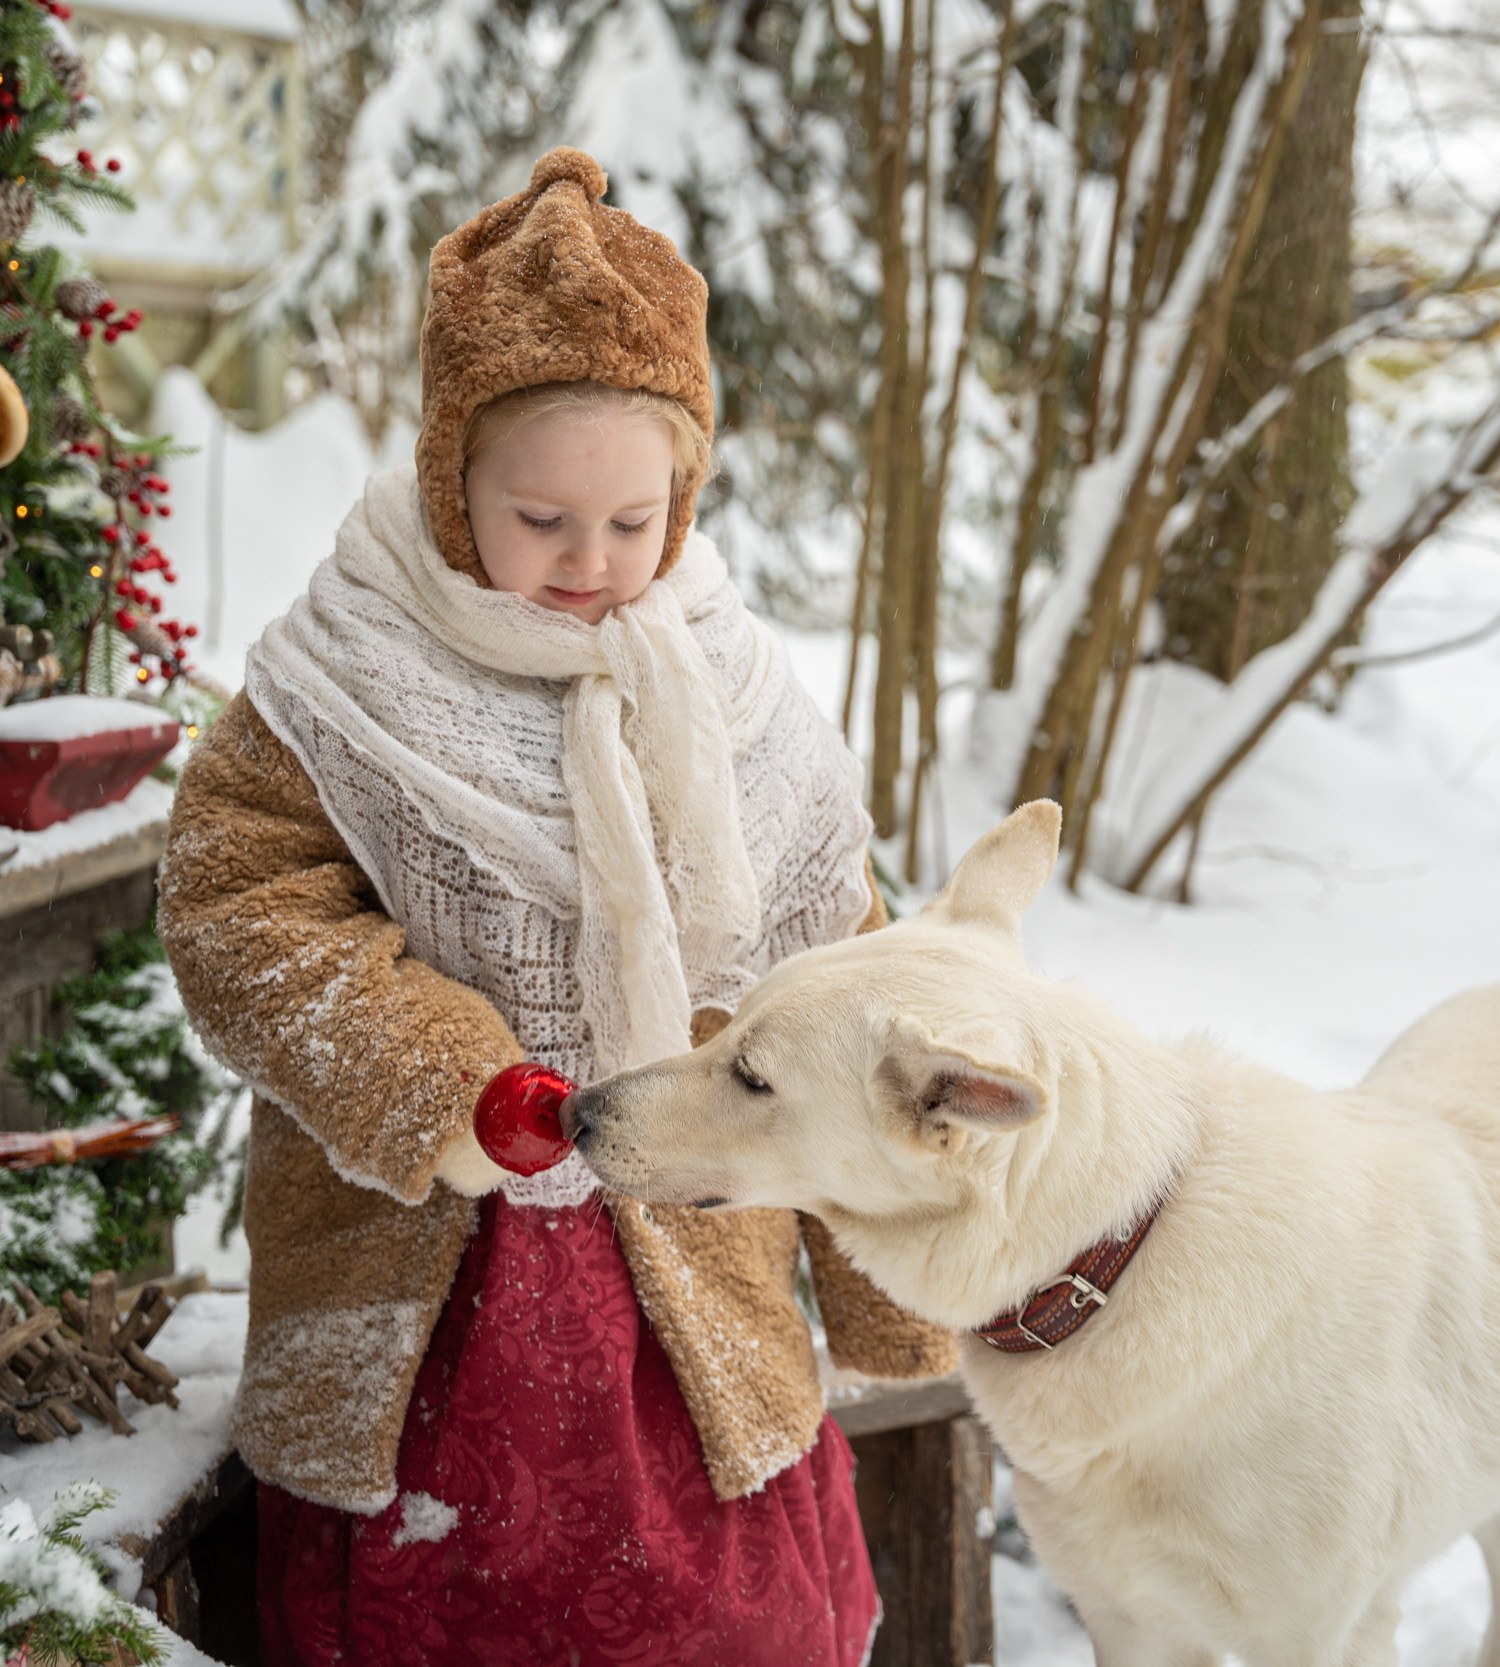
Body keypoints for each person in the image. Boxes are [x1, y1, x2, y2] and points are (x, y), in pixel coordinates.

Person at [158, 147, 954, 1666]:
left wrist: (890, 1262)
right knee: (442, 1599)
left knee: (719, 1604)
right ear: (453, 484)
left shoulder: (734, 691)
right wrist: (443, 1078)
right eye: (540, 521)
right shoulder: (342, 676)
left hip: (692, 1251)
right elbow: (242, 908)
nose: (591, 566)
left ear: (686, 494)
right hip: (439, 1257)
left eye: (632, 523)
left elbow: (835, 972)